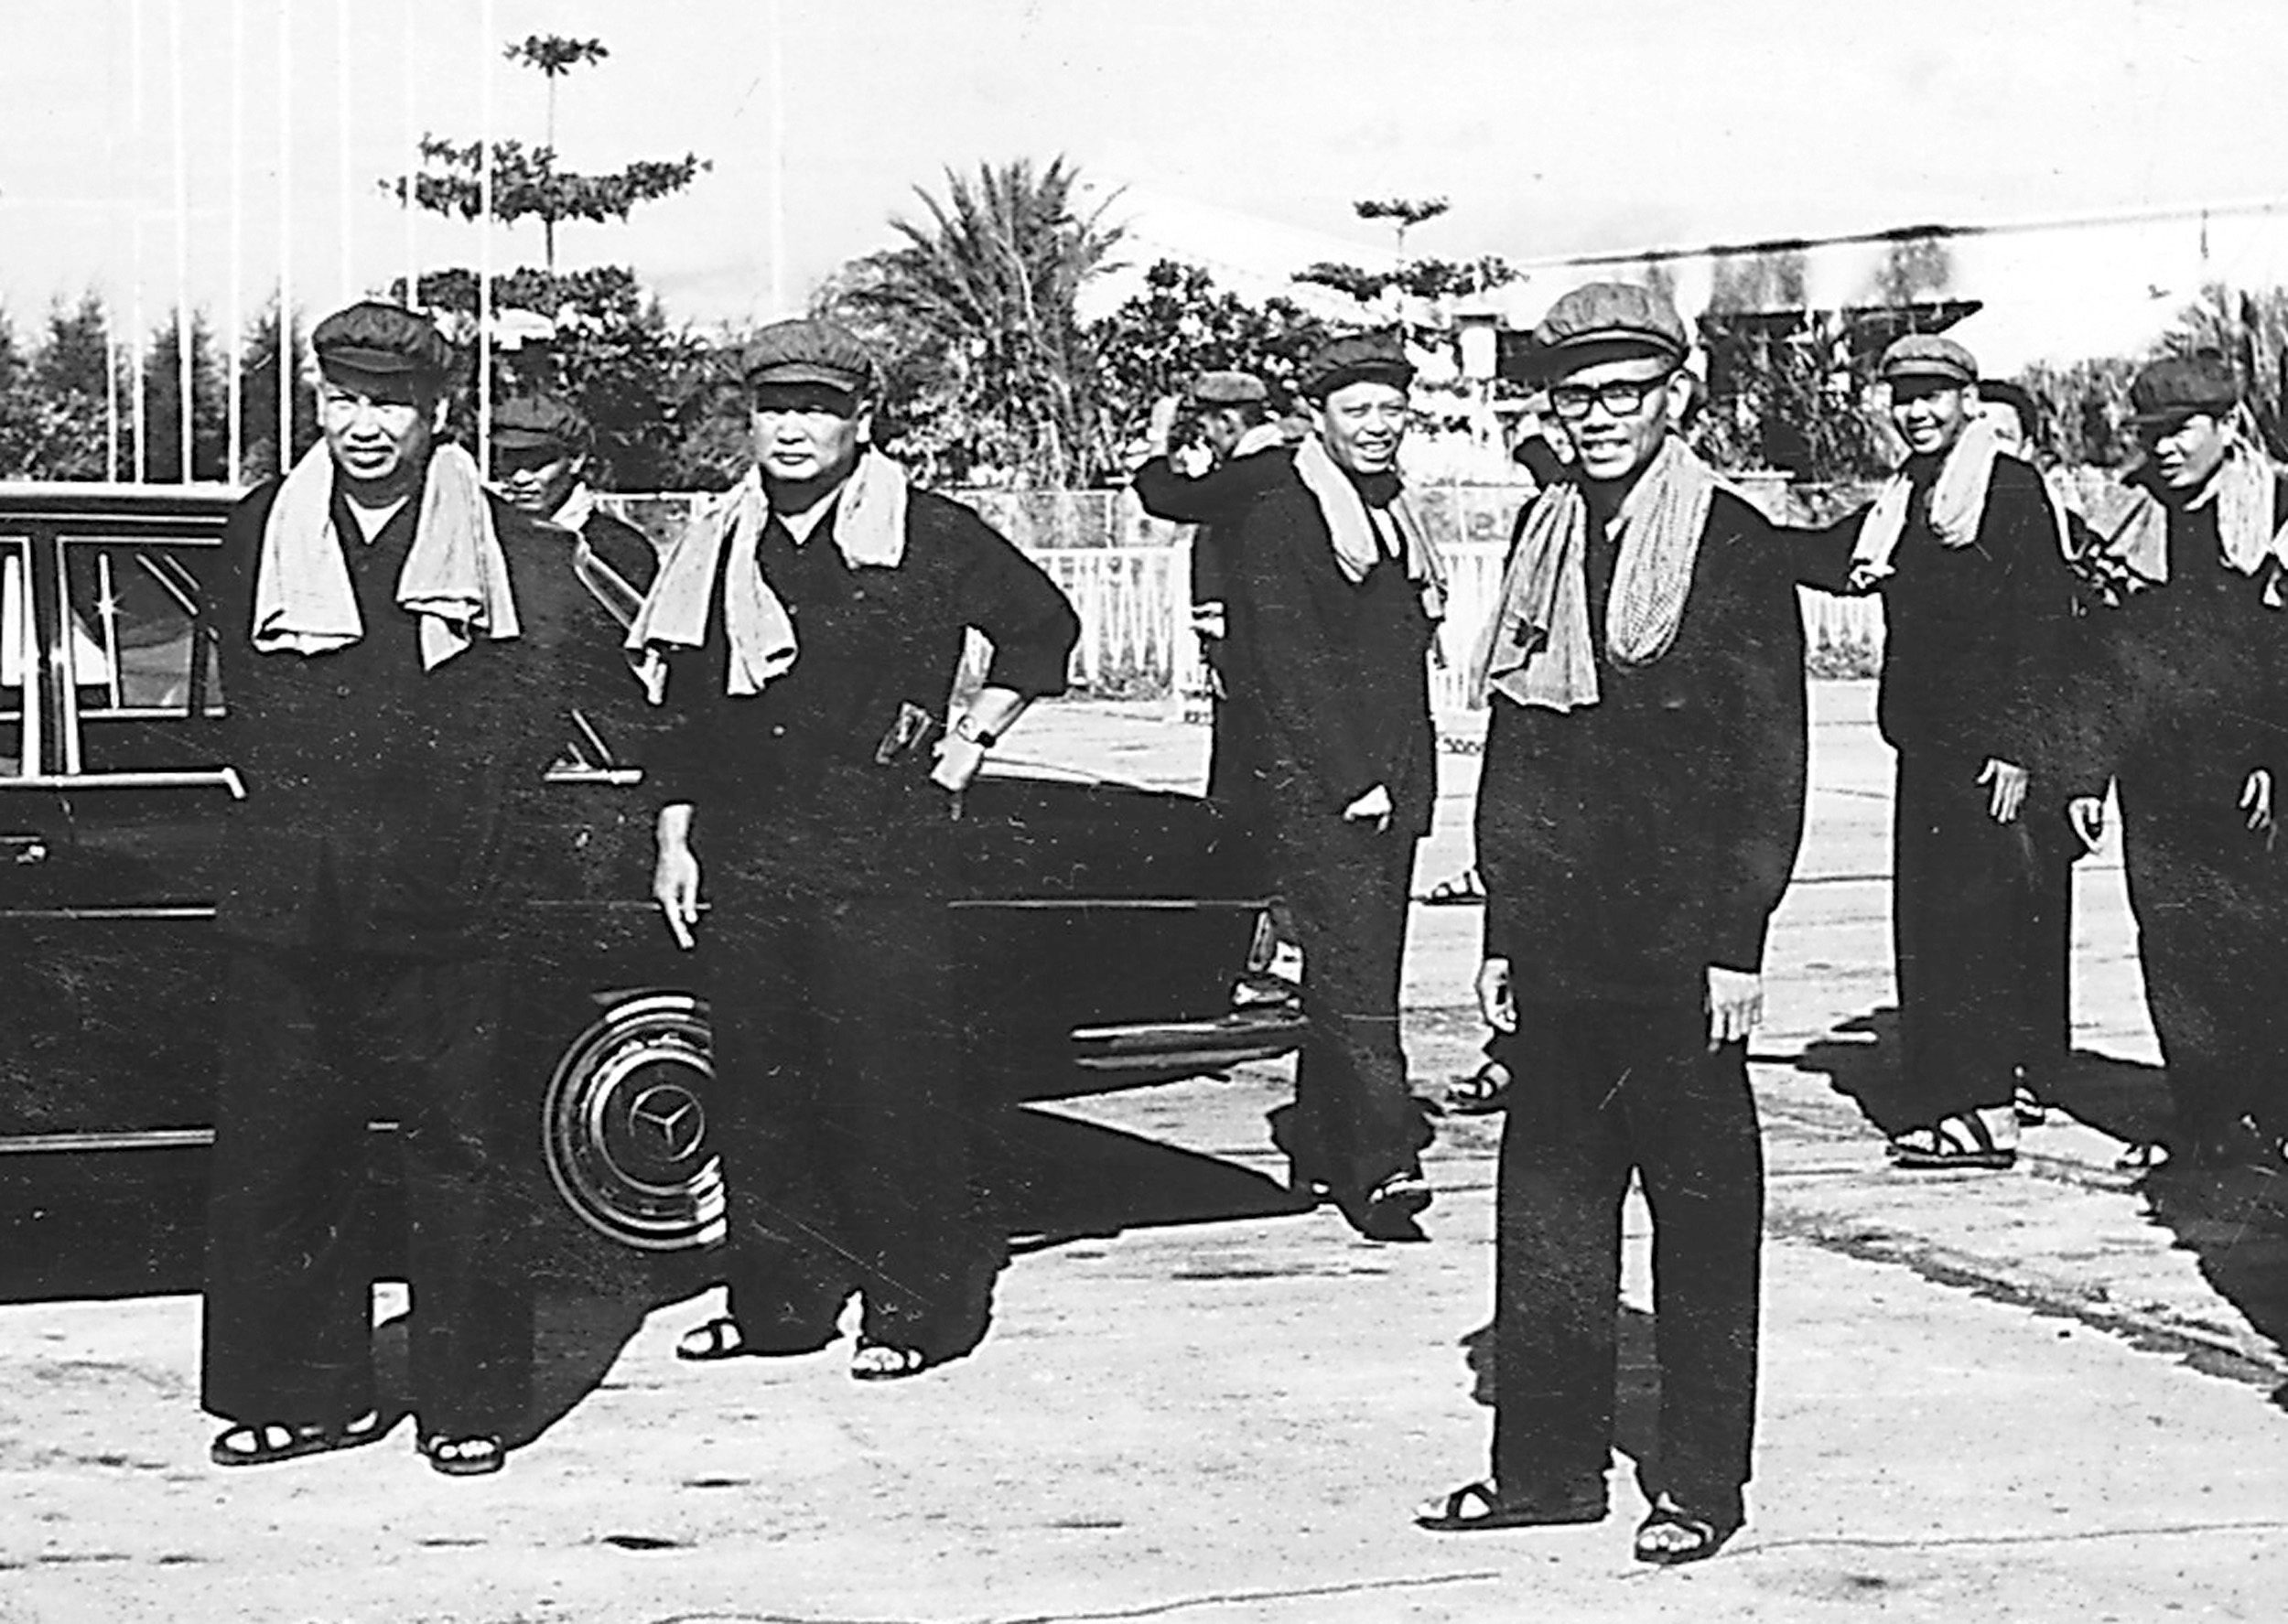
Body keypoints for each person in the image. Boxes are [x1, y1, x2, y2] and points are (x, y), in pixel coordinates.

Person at [1413, 283, 1806, 1564]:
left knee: (1698, 1221)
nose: (1594, 417)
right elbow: (1516, 751)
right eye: (1574, 396)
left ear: (1673, 396)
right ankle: (1544, 1467)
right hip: (1565, 946)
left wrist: (1739, 938)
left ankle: (1701, 1479)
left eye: (1621, 393)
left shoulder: (1733, 547)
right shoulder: (1543, 540)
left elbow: (1769, 760)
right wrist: (1502, 932)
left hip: (1685, 946)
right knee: (1551, 1214)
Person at [200, 301, 619, 1477]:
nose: (364, 425)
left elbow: (548, 705)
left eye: (390, 403)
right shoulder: (258, 534)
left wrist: (469, 824)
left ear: (437, 413)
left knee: (461, 1148)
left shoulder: (509, 547)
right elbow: (235, 706)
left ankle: (466, 1400)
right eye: (343, 400)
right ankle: (301, 1392)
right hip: (293, 895)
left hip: (451, 895)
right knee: (286, 1146)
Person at [632, 318, 1079, 1379]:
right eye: (773, 408)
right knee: (761, 1081)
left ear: (859, 421)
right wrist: (675, 832)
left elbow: (1041, 629)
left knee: (890, 1084)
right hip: (748, 845)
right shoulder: (721, 541)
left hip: (883, 844)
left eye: (818, 408)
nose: (792, 429)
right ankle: (777, 1300)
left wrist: (965, 745)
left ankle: (912, 1309)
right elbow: (687, 705)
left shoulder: (926, 530)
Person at [1807, 334, 2078, 1170]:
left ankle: (1987, 1111)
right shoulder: (1905, 500)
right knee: (1930, 935)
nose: (1916, 411)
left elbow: (2043, 625)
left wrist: (2022, 746)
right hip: (1924, 749)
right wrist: (1719, 523)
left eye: (1933, 395)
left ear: (1967, 400)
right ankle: (1952, 1096)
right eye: (1903, 396)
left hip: (1990, 758)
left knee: (1980, 935)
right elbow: (1819, 552)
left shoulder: (2009, 489)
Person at [1221, 330, 1445, 1242]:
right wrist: (1350, 777)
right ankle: (1384, 1160)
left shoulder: (1387, 509)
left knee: (1355, 968)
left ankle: (1319, 1139)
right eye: (1357, 410)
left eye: (1392, 409)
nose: (1379, 426)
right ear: (1315, 417)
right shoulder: (1284, 511)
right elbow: (1289, 660)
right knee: (1358, 976)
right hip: (1328, 787)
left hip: (1388, 779)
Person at [2057, 354, 2288, 1170]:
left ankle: (2276, 1113)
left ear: (2227, 425)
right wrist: (2086, 773)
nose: (2163, 449)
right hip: (2156, 779)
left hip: (2256, 776)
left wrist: (2274, 755)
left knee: (2264, 942)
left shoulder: (2278, 509)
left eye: (2182, 429)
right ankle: (2206, 1119)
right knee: (2174, 946)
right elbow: (2093, 662)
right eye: (2151, 432)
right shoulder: (2125, 523)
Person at [1130, 371, 1297, 891]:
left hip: (1260, 657)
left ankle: (1257, 913)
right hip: (1246, 651)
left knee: (1244, 789)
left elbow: (1167, 497)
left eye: (1206, 428)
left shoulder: (1260, 471)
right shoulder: (1272, 466)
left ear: (1227, 422)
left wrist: (1158, 444)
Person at [1974, 377, 2089, 1124]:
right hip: (1989, 753)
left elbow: (2087, 654)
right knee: (1985, 912)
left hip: (2050, 750)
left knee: (2041, 913)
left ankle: (2040, 1060)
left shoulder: (2063, 527)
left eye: (2001, 433)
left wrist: (2084, 774)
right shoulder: (1954, 524)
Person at [488, 392, 659, 599]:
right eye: (510, 460)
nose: (520, 477)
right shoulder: (488, 542)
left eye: (537, 462)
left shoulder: (622, 551)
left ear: (576, 459)